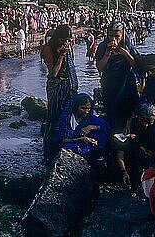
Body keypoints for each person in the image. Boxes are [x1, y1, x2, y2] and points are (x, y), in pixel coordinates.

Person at [95, 21, 140, 132]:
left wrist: (127, 55)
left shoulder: (127, 45)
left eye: (117, 36)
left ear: (123, 35)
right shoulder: (102, 46)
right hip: (110, 84)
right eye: (111, 36)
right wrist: (107, 53)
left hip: (126, 84)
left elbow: (137, 65)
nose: (114, 39)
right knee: (112, 114)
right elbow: (100, 68)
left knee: (128, 111)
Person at [42, 24, 78, 161]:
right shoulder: (48, 49)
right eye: (62, 40)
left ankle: (64, 146)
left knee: (67, 116)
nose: (65, 43)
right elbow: (54, 73)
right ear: (57, 38)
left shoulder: (69, 47)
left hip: (68, 85)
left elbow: (71, 68)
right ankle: (50, 149)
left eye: (68, 40)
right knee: (54, 116)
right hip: (56, 86)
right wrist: (61, 56)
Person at [51, 93, 110, 170]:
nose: (86, 111)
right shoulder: (65, 120)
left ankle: (97, 155)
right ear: (76, 107)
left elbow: (106, 126)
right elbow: (59, 140)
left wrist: (91, 127)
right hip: (69, 143)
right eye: (83, 108)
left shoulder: (88, 117)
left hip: (83, 141)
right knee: (69, 148)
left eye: (88, 108)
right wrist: (81, 139)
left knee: (101, 134)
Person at [114, 103, 155, 188]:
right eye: (143, 121)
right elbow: (120, 154)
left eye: (149, 123)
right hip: (132, 160)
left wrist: (152, 154)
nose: (145, 125)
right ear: (138, 117)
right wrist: (124, 172)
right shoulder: (129, 128)